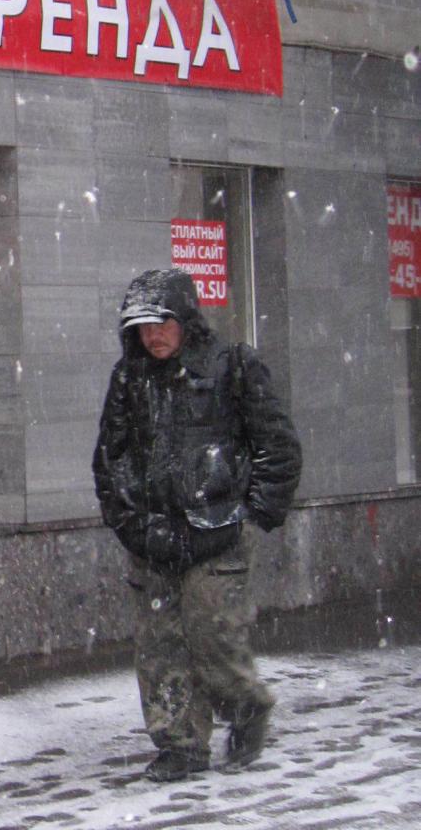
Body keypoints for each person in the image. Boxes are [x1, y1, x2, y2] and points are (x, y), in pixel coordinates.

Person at [92, 268, 302, 782]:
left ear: (186, 319)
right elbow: (110, 462)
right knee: (160, 647)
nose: (154, 335)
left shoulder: (232, 365)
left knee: (212, 635)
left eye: (162, 322)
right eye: (143, 327)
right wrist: (133, 527)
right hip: (153, 540)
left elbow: (277, 446)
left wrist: (251, 513)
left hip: (220, 534)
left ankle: (246, 705)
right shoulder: (128, 380)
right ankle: (180, 745)